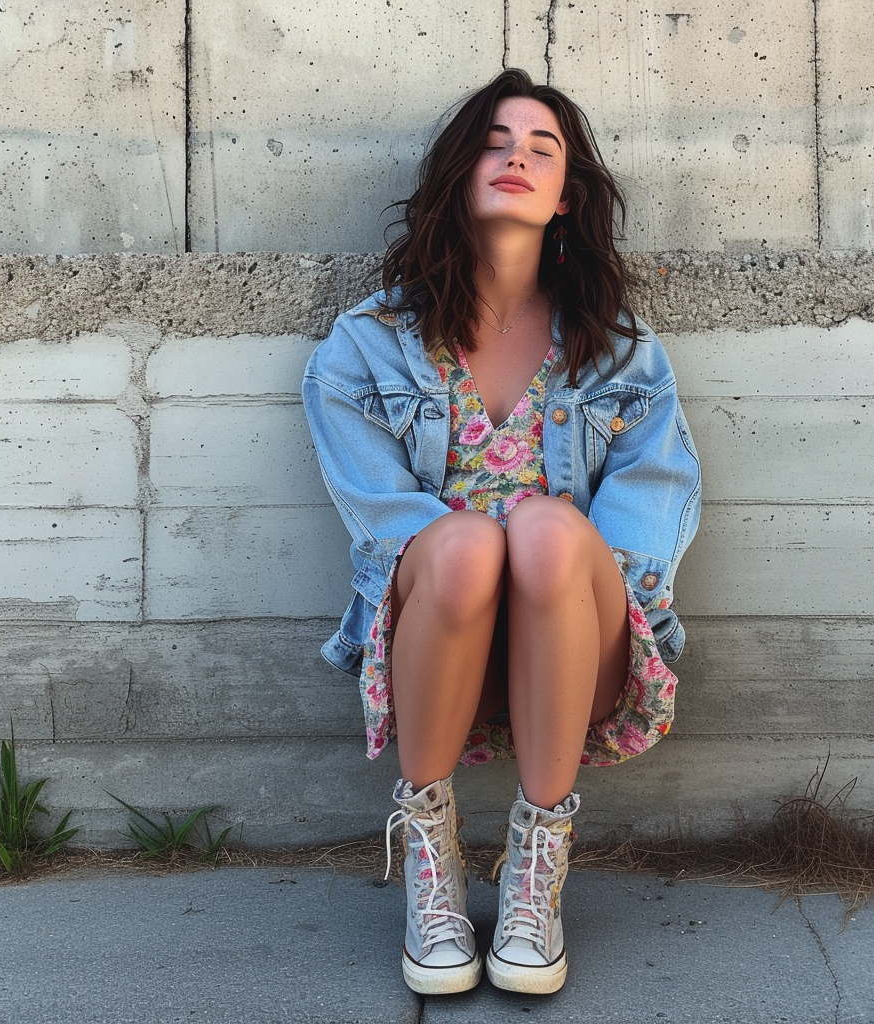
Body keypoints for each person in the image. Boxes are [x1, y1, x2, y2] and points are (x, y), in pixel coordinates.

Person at [302, 68, 701, 997]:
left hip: (575, 645)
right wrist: (480, 558)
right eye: (494, 140)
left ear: (566, 199)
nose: (516, 155)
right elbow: (384, 529)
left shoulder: (621, 351)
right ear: (456, 173)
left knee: (548, 534)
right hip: (435, 634)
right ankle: (433, 865)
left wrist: (572, 583)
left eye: (542, 147)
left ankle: (536, 867)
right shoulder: (363, 346)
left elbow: (647, 507)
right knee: (472, 543)